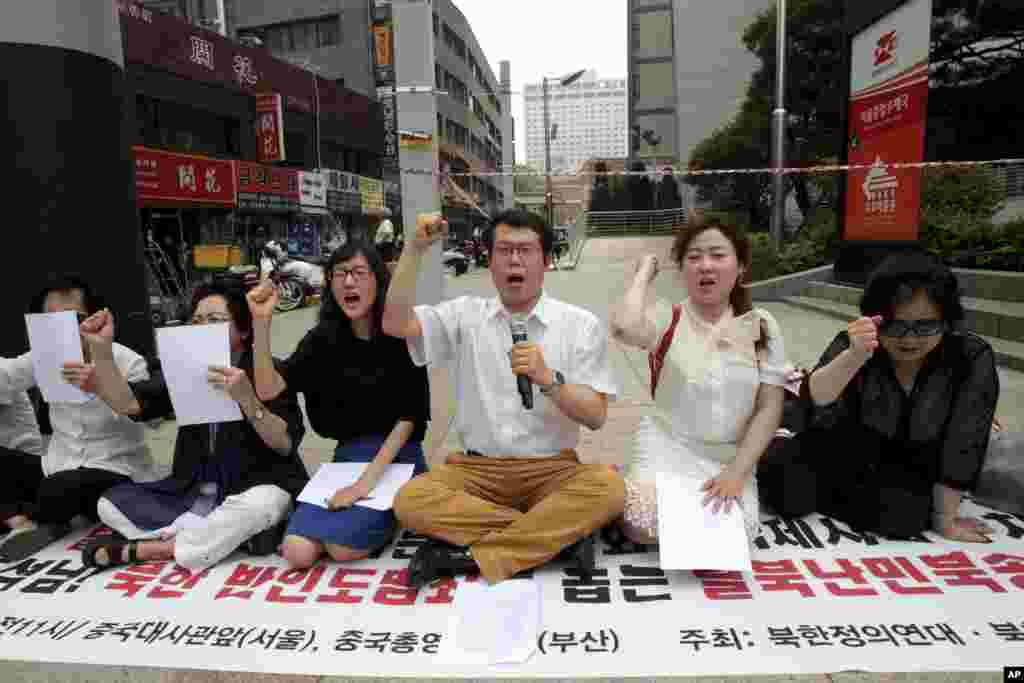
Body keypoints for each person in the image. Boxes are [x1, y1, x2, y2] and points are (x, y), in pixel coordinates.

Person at [383, 209, 624, 587]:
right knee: (411, 499)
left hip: (552, 471)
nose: (515, 260)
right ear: (489, 260)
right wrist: (413, 249)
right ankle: (555, 539)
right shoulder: (465, 315)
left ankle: (470, 555)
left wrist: (549, 380)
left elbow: (595, 416)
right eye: (505, 250)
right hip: (477, 472)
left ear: (546, 261)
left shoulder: (579, 325)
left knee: (609, 489)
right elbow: (395, 324)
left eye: (526, 250)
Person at [757, 251, 999, 542]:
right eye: (894, 325)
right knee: (781, 485)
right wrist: (855, 356)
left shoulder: (970, 356)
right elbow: (816, 397)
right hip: (842, 448)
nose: (909, 339)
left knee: (902, 518)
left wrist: (945, 519)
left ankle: (846, 499)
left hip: (911, 464)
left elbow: (965, 440)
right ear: (874, 318)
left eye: (925, 326)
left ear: (947, 320)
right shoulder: (856, 341)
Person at [79, 283, 308, 571]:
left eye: (215, 321)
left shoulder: (266, 369)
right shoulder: (184, 368)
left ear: (243, 331)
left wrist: (248, 400)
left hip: (255, 487)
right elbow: (131, 405)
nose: (202, 328)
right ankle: (234, 539)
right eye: (196, 321)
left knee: (262, 504)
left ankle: (158, 548)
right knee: (108, 505)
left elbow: (285, 443)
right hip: (193, 492)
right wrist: (100, 350)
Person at [248, 240, 430, 569]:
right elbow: (269, 388)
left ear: (378, 280)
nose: (349, 282)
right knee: (296, 551)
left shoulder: (402, 334)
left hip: (397, 458)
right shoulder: (322, 339)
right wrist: (261, 324)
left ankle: (391, 516)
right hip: (346, 459)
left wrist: (363, 487)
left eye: (359, 272)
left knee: (342, 548)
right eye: (340, 273)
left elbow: (410, 418)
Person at [609, 216, 787, 544]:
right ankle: (637, 485)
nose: (706, 266)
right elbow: (623, 327)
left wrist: (738, 471)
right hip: (668, 444)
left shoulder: (762, 324)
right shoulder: (670, 317)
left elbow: (769, 408)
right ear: (682, 269)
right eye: (694, 257)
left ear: (741, 266)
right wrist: (643, 275)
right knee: (640, 524)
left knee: (740, 534)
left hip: (730, 456)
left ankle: (666, 502)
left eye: (718, 255)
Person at [0, 275, 153, 561]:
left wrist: (103, 385)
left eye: (74, 319)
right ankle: (24, 521)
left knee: (65, 486)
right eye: (50, 321)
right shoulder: (42, 357)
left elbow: (148, 417)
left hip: (114, 469)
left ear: (95, 318)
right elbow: (6, 378)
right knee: (48, 480)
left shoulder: (126, 360)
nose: (62, 330)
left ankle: (27, 515)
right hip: (56, 465)